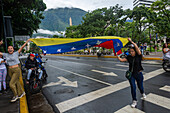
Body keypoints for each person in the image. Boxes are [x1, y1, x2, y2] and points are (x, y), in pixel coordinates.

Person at [116, 38, 146, 108]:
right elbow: (121, 60)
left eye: (132, 51)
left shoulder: (138, 56)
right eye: (130, 51)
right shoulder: (129, 57)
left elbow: (136, 46)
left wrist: (131, 41)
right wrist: (117, 56)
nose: (131, 52)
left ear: (135, 51)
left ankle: (143, 93)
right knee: (133, 87)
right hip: (131, 74)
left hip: (139, 74)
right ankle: (134, 100)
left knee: (140, 87)